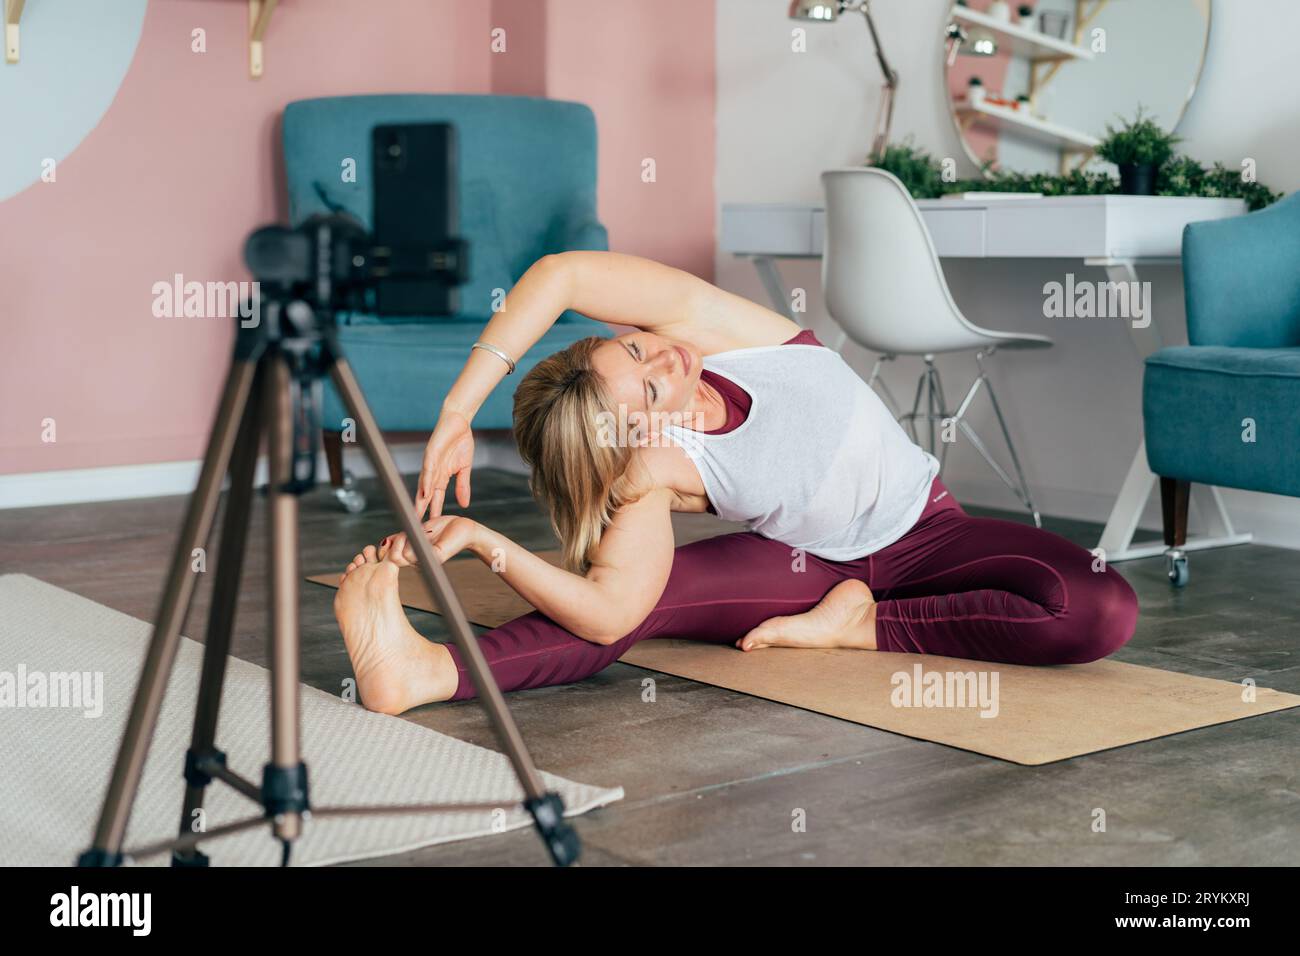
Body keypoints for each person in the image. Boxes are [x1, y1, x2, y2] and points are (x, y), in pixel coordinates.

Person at [333, 251, 1138, 715]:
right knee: (632, 614)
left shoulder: (714, 330)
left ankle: (858, 627)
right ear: (640, 430)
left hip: (930, 529)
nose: (664, 362)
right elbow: (612, 609)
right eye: (647, 391)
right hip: (803, 567)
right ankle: (429, 673)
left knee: (1098, 608)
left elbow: (561, 274)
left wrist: (458, 408)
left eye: (635, 350)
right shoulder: (648, 467)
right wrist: (487, 543)